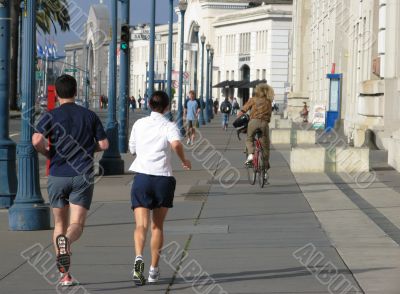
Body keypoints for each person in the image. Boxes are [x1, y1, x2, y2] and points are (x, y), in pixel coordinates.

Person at [32, 74, 109, 286]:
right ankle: (68, 240)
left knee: (59, 223)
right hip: (82, 174)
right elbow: (104, 145)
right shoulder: (89, 116)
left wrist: (48, 153)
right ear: (76, 92)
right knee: (76, 224)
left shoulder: (51, 115)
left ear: (56, 94)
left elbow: (36, 139)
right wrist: (87, 149)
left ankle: (64, 276)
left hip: (57, 174)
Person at [129, 91, 191, 286]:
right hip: (162, 179)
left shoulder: (139, 124)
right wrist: (184, 160)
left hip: (142, 178)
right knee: (157, 226)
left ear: (148, 104)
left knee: (141, 225)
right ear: (167, 107)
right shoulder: (169, 125)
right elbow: (176, 144)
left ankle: (139, 257)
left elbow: (132, 149)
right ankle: (153, 271)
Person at [238, 83, 273, 170]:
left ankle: (250, 155)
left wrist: (239, 118)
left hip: (253, 122)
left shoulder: (253, 99)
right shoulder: (268, 101)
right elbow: (270, 114)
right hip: (264, 124)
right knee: (265, 145)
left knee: (249, 139)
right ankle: (265, 168)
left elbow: (243, 110)